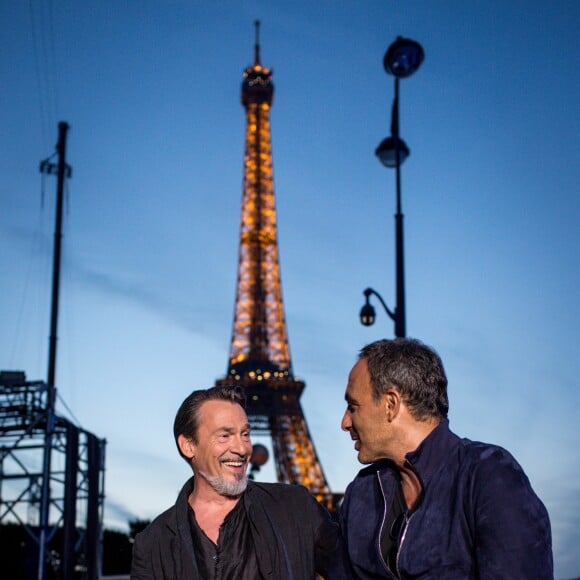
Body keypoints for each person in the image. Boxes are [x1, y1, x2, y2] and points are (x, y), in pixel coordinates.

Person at [328, 338, 553, 579]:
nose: (345, 423)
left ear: (391, 404)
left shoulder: (489, 476)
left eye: (353, 406)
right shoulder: (360, 494)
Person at [131, 384, 338, 579]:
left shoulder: (297, 507)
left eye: (245, 434)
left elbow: (354, 568)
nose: (242, 448)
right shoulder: (151, 545)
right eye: (225, 435)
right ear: (189, 446)